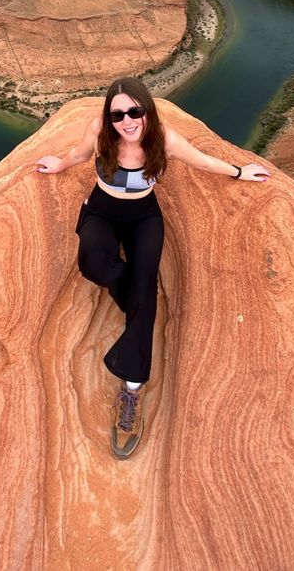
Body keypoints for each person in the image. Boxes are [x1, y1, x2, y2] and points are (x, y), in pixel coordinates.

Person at [35, 76, 270, 458]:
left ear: (147, 110)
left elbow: (202, 161)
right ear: (108, 117)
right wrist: (57, 165)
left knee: (143, 294)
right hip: (102, 210)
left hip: (144, 215)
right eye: (118, 114)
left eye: (135, 111)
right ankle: (140, 302)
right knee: (94, 265)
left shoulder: (164, 139)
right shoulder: (101, 132)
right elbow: (78, 154)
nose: (127, 121)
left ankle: (131, 390)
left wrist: (240, 172)